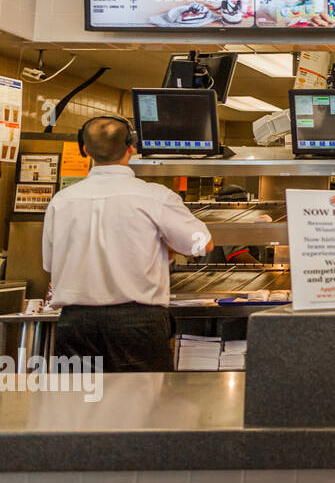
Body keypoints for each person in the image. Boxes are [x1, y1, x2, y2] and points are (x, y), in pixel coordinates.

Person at [42, 115, 213, 372]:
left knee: (76, 407)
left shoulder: (62, 201)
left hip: (75, 324)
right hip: (137, 323)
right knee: (141, 407)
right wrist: (166, 246)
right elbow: (202, 245)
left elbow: (49, 264)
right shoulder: (153, 196)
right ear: (131, 148)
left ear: (85, 150)